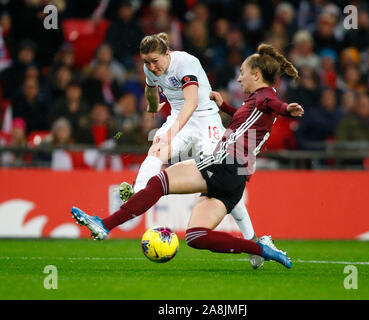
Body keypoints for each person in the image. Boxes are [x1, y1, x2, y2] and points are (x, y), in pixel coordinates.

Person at [71, 43, 304, 269]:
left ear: (256, 74)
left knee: (159, 182)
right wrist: (225, 107)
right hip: (236, 179)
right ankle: (260, 248)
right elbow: (249, 117)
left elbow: (274, 104)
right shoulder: (255, 102)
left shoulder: (265, 97)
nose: (239, 78)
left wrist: (286, 109)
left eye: (242, 73)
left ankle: (104, 224)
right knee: (196, 236)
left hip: (225, 163)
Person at [116, 32, 263, 269]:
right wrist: (153, 106)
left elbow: (191, 102)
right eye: (146, 62)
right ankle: (138, 193)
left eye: (155, 61)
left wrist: (171, 132)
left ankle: (253, 241)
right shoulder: (150, 69)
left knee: (221, 182)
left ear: (167, 53)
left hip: (206, 121)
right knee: (156, 150)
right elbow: (151, 89)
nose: (152, 67)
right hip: (178, 117)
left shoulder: (186, 62)